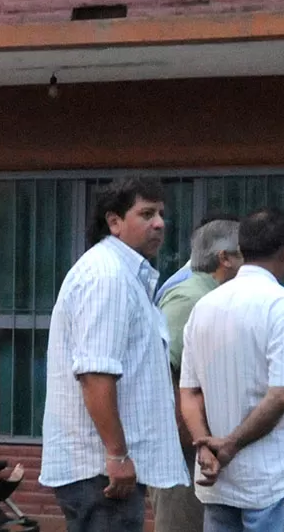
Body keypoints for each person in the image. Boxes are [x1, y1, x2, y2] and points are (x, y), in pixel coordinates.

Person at [38, 177, 186, 532]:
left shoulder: (125, 274)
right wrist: (117, 454)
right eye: (146, 213)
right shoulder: (107, 276)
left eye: (161, 214)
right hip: (100, 471)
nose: (159, 223)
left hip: (104, 469)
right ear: (114, 221)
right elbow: (94, 375)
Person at [179, 208, 284, 532]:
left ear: (240, 249)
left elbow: (189, 392)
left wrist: (204, 445)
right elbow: (280, 396)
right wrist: (230, 445)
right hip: (270, 477)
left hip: (216, 478)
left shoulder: (204, 306)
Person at [150, 215, 241, 532]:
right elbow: (162, 370)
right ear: (225, 258)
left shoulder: (213, 295)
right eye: (246, 256)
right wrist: (190, 438)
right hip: (183, 449)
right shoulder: (191, 297)